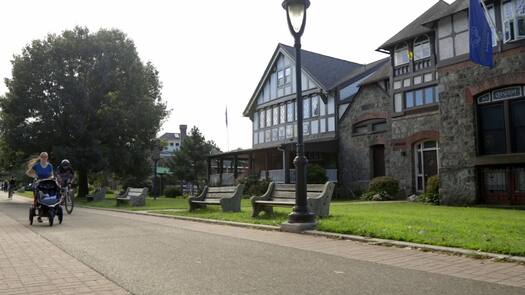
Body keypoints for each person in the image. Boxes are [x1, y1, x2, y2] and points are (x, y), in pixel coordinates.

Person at [26, 152, 54, 222]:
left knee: (49, 195)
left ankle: (49, 209)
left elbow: (52, 175)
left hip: (47, 183)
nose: (44, 158)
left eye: (45, 157)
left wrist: (51, 177)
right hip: (38, 183)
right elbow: (28, 172)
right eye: (43, 157)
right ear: (40, 158)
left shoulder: (50, 166)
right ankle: (36, 207)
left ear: (47, 158)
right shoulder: (37, 166)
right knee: (37, 196)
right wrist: (34, 176)